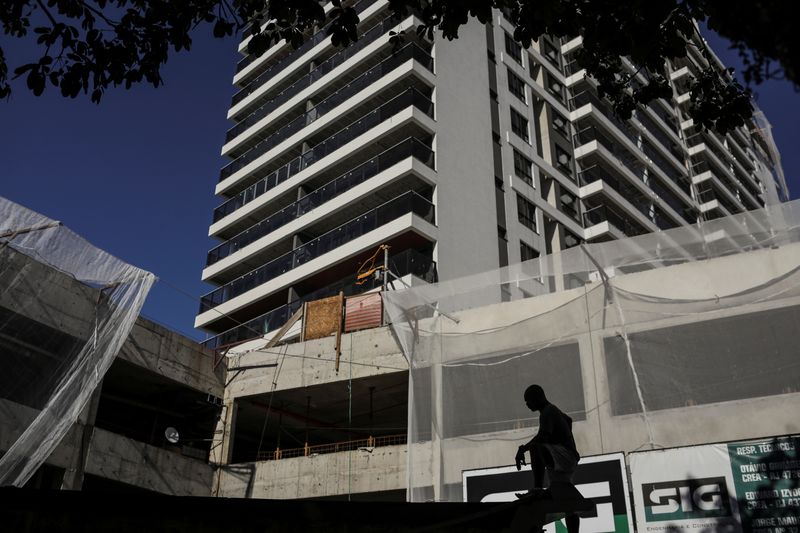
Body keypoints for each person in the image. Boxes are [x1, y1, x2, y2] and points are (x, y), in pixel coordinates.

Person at [514, 384, 581, 533]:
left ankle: (537, 487)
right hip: (566, 458)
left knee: (536, 447)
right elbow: (568, 420)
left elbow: (542, 438)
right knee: (568, 502)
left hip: (565, 457)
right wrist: (562, 437)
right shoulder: (553, 411)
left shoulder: (548, 412)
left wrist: (523, 449)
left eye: (528, 401)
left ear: (537, 397)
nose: (527, 405)